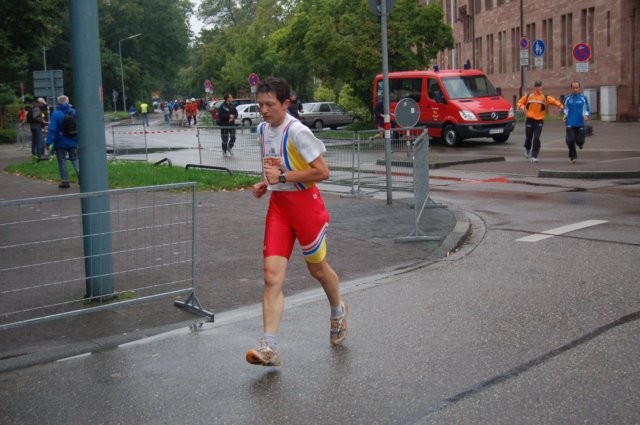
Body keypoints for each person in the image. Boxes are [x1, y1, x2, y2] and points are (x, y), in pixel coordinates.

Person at [245, 77, 348, 367]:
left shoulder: (298, 131)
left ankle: (338, 311)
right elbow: (273, 167)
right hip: (279, 208)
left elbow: (322, 172)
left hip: (306, 207)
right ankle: (269, 347)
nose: (264, 110)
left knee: (317, 269)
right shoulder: (262, 130)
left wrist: (283, 177)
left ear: (286, 103)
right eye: (260, 105)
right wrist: (265, 183)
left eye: (270, 104)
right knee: (271, 276)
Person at [517, 80, 563, 163]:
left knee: (536, 138)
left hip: (539, 120)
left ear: (541, 87)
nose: (538, 88)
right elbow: (519, 102)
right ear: (534, 87)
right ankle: (527, 148)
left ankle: (534, 156)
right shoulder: (529, 96)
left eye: (539, 86)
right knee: (528, 138)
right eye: (536, 86)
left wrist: (560, 106)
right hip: (530, 120)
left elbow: (554, 101)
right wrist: (521, 107)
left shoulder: (544, 97)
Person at [46, 95, 79, 189]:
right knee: (75, 158)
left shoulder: (56, 113)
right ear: (68, 102)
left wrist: (48, 142)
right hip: (73, 140)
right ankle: (81, 175)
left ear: (58, 103)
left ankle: (65, 181)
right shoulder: (74, 112)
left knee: (62, 160)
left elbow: (52, 129)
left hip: (60, 142)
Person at [563, 81, 591, 164]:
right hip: (570, 122)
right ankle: (573, 156)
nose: (575, 89)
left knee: (580, 141)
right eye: (573, 88)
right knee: (570, 140)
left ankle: (580, 144)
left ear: (579, 88)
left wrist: (586, 115)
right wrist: (565, 115)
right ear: (571, 88)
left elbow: (587, 108)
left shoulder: (583, 98)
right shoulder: (567, 98)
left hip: (580, 122)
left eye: (576, 88)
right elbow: (565, 108)